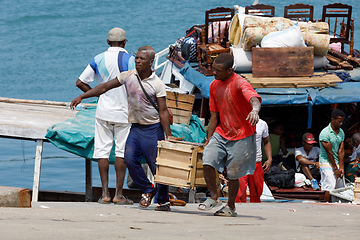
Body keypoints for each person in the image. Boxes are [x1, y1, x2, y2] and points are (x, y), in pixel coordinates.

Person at [71, 46, 174, 211]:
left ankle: (163, 201)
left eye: (142, 59)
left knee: (157, 166)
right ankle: (148, 190)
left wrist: (168, 135)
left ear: (151, 62)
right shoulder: (128, 76)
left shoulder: (157, 84)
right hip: (135, 128)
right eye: (137, 58)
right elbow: (103, 87)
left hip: (152, 129)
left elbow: (163, 111)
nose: (138, 61)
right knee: (129, 160)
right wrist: (82, 96)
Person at [197, 52, 261, 217]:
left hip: (241, 134)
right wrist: (209, 138)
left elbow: (254, 98)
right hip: (221, 131)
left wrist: (255, 110)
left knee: (233, 174)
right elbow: (214, 117)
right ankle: (213, 196)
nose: (214, 73)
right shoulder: (213, 85)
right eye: (213, 69)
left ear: (230, 70)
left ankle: (230, 206)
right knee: (207, 160)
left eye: (218, 70)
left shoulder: (240, 83)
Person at [76, 27, 135, 204]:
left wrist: (100, 95)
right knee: (121, 153)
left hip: (103, 111)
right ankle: (119, 195)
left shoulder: (98, 58)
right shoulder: (131, 59)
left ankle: (104, 194)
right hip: (124, 113)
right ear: (125, 42)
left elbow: (80, 82)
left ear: (108, 42)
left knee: (102, 152)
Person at [236, 119, 272, 203]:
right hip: (240, 163)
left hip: (256, 162)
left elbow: (266, 141)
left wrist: (269, 158)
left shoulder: (262, 124)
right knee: (239, 193)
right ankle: (239, 212)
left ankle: (255, 213)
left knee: (257, 192)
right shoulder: (238, 121)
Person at [319, 109, 346, 200]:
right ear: (332, 120)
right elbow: (329, 153)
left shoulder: (341, 132)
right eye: (339, 121)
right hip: (326, 161)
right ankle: (326, 205)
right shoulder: (325, 133)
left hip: (337, 161)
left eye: (342, 121)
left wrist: (341, 168)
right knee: (330, 184)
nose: (341, 124)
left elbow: (341, 150)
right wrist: (335, 169)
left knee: (340, 186)